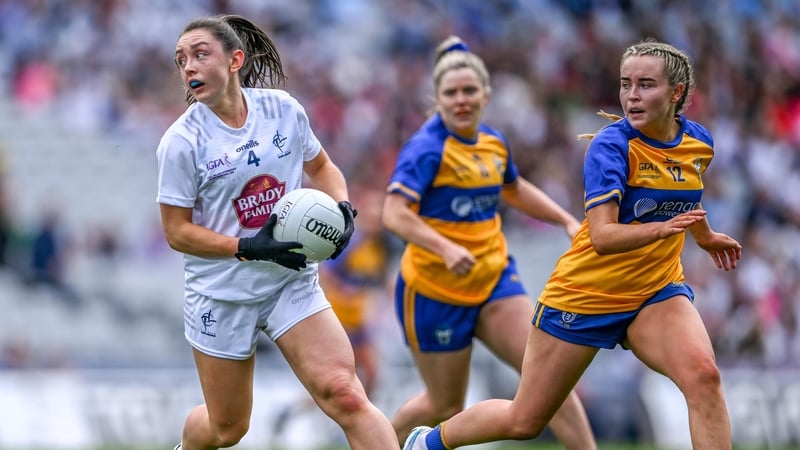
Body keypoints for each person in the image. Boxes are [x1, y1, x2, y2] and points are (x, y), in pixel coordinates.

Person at [402, 38, 743, 450]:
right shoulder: (611, 146)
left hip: (655, 291)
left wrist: (703, 236)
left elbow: (686, 193)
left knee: (704, 377)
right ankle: (427, 443)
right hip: (584, 295)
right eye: (625, 84)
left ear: (677, 93)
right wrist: (661, 229)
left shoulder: (699, 143)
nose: (631, 96)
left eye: (645, 85)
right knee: (524, 420)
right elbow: (602, 237)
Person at [155, 14, 399, 450]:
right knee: (227, 429)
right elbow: (177, 233)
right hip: (222, 295)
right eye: (181, 60)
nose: (187, 67)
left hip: (292, 281)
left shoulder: (283, 109)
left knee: (346, 393)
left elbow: (322, 167)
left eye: (199, 54)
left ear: (235, 60)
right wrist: (249, 246)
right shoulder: (181, 142)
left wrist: (341, 209)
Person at [383, 35, 596, 449]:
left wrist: (565, 219)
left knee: (549, 382)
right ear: (437, 99)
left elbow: (514, 189)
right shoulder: (426, 149)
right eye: (451, 93)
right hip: (435, 292)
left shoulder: (493, 143)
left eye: (468, 91)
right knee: (444, 405)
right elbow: (393, 214)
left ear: (486, 94)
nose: (461, 100)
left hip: (495, 281)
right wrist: (445, 248)